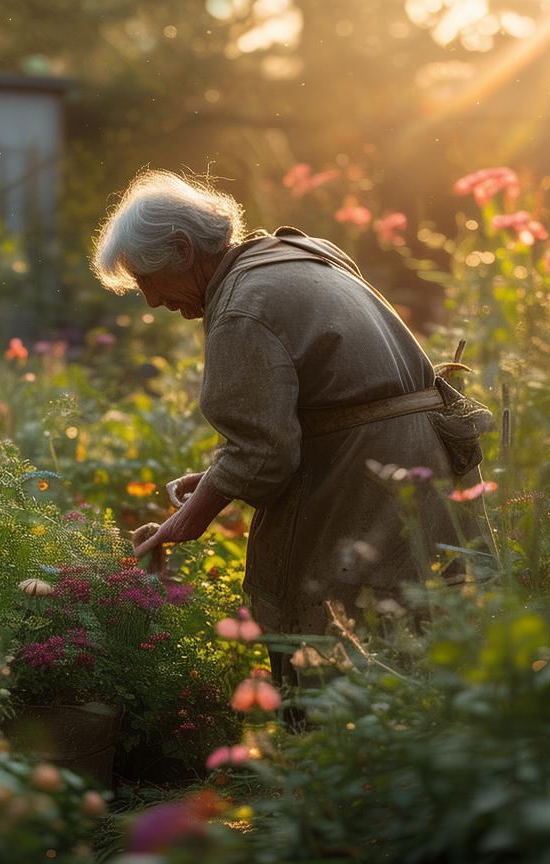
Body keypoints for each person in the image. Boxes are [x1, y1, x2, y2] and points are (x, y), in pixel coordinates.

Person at [92, 170, 493, 667]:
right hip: (424, 464)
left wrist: (184, 522)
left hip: (368, 482)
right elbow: (323, 409)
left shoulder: (242, 308)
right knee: (433, 636)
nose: (153, 300)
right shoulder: (300, 252)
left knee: (349, 654)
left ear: (182, 249)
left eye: (147, 280)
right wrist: (218, 479)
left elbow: (263, 453)